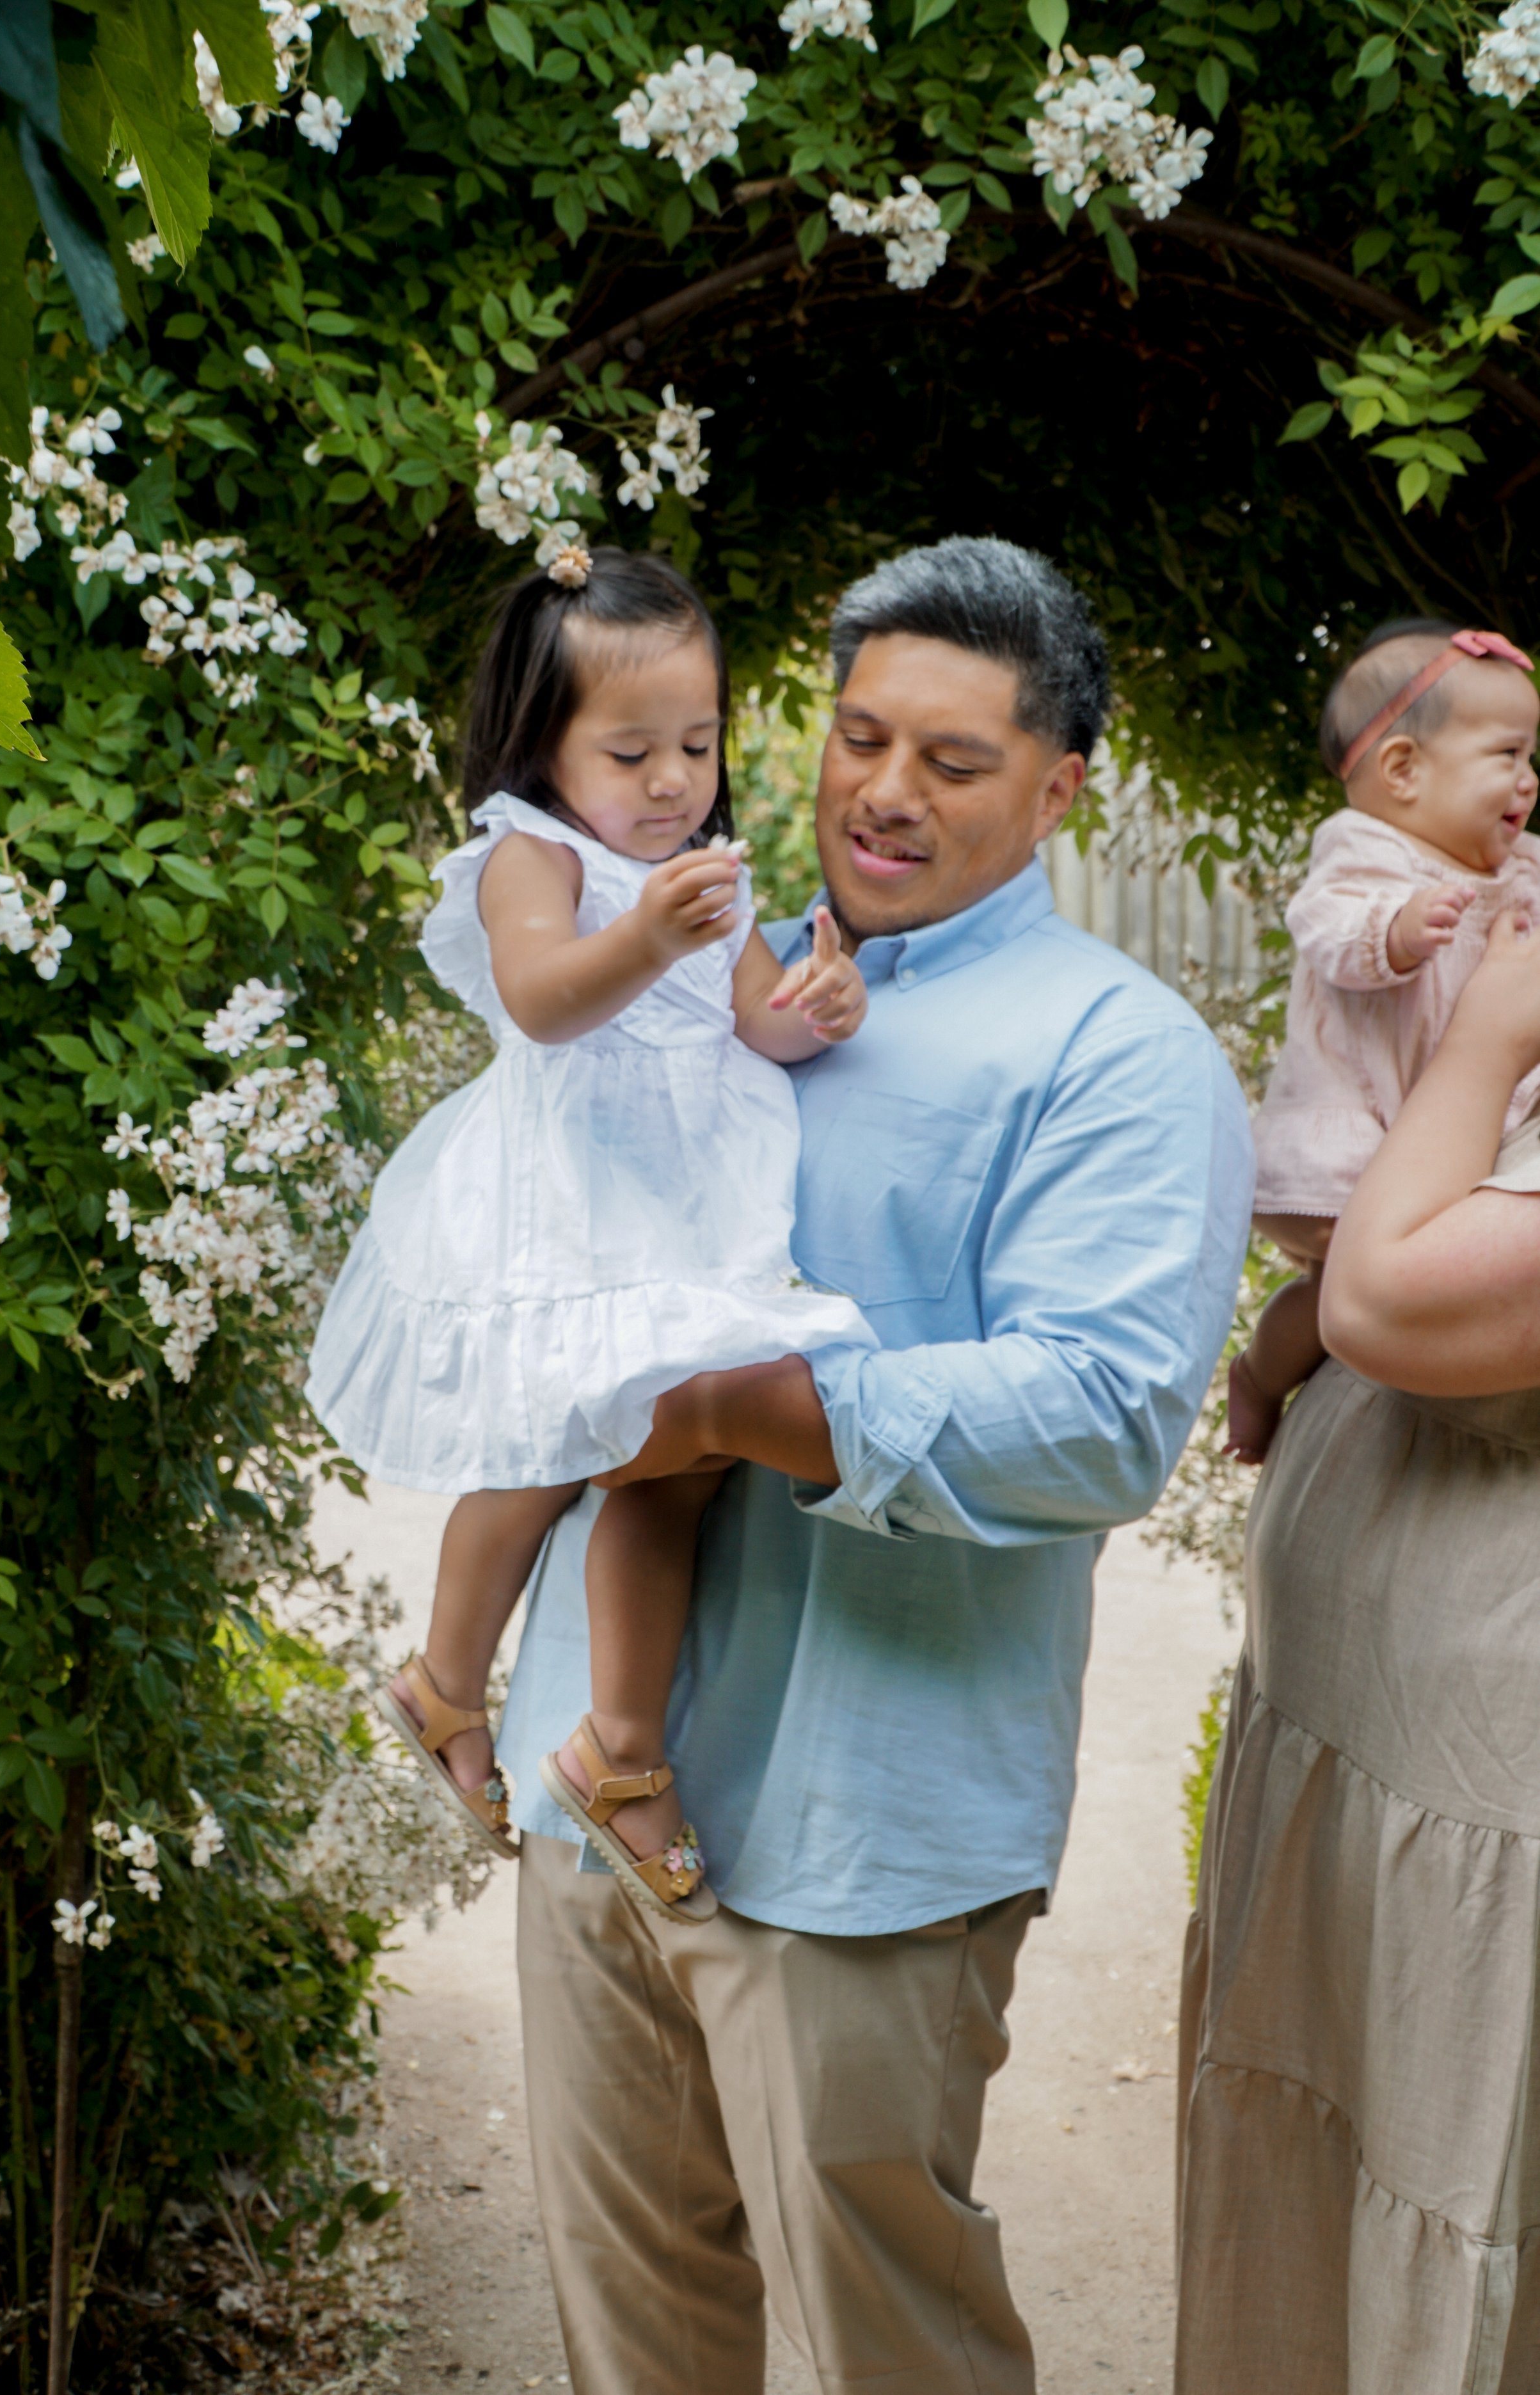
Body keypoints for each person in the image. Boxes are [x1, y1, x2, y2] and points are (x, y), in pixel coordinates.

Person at [494, 536, 1253, 2395]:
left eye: (950, 762)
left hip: (864, 1822)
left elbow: (1096, 1410)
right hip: (601, 1794)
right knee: (633, 2343)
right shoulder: (688, 973)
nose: (882, 795)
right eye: (854, 739)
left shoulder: (1119, 1058)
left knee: (885, 2349)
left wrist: (733, 1406)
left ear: (1059, 786)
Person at [306, 548, 871, 1921]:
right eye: (631, 751)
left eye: (696, 741)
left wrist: (815, 1007)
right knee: (556, 1444)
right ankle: (447, 1674)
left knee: (672, 1467)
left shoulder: (697, 871)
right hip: (566, 1198)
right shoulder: (531, 853)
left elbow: (752, 1021)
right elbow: (544, 1000)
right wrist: (650, 943)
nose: (673, 779)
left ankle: (619, 1750)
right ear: (544, 745)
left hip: (681, 1217)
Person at [1176, 903, 1540, 2394]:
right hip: (1363, 1756)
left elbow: (1382, 1296)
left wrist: (1496, 1028)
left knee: (1447, 2232)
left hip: (1475, 1806)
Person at [1225, 618, 1540, 1463]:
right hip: (1348, 1146)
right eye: (1508, 756)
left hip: (1441, 1142)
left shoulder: (1520, 868)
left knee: (1369, 1296)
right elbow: (1325, 929)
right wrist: (1397, 932)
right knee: (1346, 1290)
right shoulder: (1364, 854)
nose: (1530, 779)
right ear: (1403, 769)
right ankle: (1257, 1375)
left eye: (1531, 758)